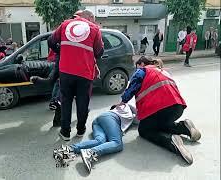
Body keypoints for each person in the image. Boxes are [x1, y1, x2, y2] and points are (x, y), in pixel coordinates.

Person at [117, 56, 201, 165]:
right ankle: (184, 127)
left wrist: (122, 101)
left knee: (144, 130)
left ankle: (171, 143)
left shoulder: (142, 71)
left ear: (142, 64)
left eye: (137, 66)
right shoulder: (163, 71)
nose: (136, 69)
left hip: (160, 108)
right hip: (177, 108)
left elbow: (132, 87)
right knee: (158, 124)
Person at [49, 9, 104, 141]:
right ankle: (80, 130)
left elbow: (51, 41)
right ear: (90, 17)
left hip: (66, 71)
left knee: (66, 101)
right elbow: (99, 52)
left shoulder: (65, 24)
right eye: (93, 19)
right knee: (82, 102)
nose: (94, 22)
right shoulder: (94, 29)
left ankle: (65, 132)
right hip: (84, 72)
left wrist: (62, 51)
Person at [56, 104, 137, 173]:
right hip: (110, 118)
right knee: (117, 143)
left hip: (99, 120)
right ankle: (90, 153)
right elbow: (139, 118)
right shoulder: (128, 107)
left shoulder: (120, 109)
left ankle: (69, 149)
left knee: (100, 141)